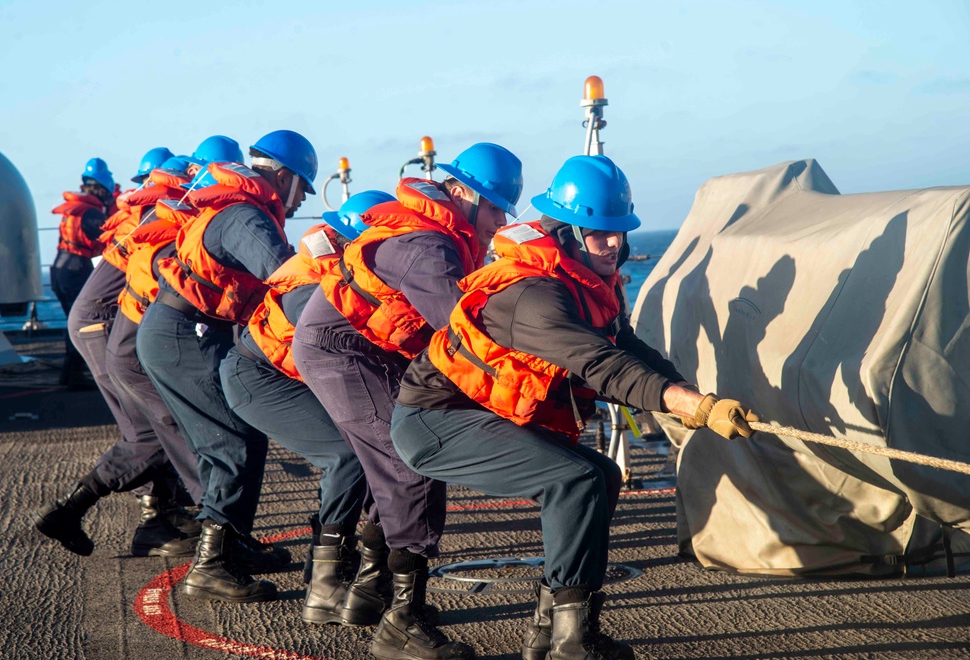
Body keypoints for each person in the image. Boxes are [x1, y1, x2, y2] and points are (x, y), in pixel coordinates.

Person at [389, 154, 758, 660]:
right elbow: (598, 365)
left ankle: (548, 630)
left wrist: (695, 398)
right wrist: (683, 403)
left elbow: (624, 346)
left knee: (600, 474)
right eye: (599, 232)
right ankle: (571, 641)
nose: (614, 244)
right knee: (575, 480)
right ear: (565, 232)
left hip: (477, 414)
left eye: (618, 232)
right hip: (435, 420)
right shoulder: (535, 295)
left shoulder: (585, 282)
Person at [293, 143, 522, 658]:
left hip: (356, 349)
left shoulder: (438, 234)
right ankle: (404, 621)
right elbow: (463, 334)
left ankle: (370, 593)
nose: (500, 220)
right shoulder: (428, 247)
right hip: (344, 354)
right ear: (460, 194)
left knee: (397, 463)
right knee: (410, 462)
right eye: (493, 207)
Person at [136, 130, 316, 603]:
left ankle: (231, 545)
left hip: (180, 330)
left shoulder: (235, 208)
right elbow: (286, 277)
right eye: (303, 190)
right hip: (185, 333)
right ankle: (212, 565)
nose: (299, 204)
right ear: (285, 176)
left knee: (237, 437)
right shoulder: (245, 217)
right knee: (230, 442)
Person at [31, 148, 236, 560]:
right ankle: (186, 519)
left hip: (101, 323)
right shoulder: (165, 217)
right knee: (155, 431)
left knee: (151, 429)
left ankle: (155, 519)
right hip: (104, 326)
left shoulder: (155, 211)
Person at [218, 190, 394, 624]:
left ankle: (331, 566)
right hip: (256, 378)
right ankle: (324, 587)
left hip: (278, 374)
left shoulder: (336, 277)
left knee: (365, 447)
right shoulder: (315, 290)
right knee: (347, 453)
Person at [49, 157, 114, 387]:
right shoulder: (92, 213)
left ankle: (68, 374)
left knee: (71, 320)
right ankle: (75, 375)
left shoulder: (76, 209)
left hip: (59, 269)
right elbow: (110, 237)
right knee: (81, 322)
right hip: (76, 270)